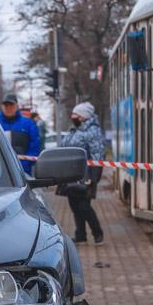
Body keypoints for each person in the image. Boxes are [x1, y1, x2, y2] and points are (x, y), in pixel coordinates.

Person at [59, 102, 106, 244]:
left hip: (86, 175)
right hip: (71, 174)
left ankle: (97, 233)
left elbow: (98, 154)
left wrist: (94, 177)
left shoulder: (93, 132)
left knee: (84, 206)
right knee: (74, 205)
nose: (72, 116)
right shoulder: (74, 130)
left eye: (76, 114)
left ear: (84, 116)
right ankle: (80, 234)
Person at [0, 92, 40, 174]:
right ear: (2, 107)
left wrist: (23, 166)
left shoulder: (28, 124)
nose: (8, 108)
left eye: (11, 105)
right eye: (6, 105)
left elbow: (34, 147)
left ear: (17, 106)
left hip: (23, 172)